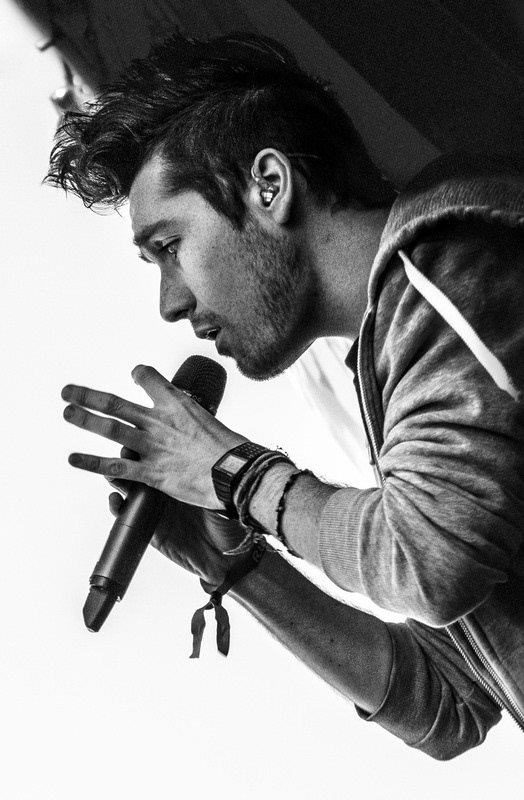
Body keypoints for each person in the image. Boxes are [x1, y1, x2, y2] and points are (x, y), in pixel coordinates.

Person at [47, 32, 524, 759]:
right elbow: (450, 702)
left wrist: (234, 475)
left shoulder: (454, 263)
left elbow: (428, 562)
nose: (170, 303)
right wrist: (235, 564)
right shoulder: (402, 354)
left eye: (170, 247)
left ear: (269, 186)